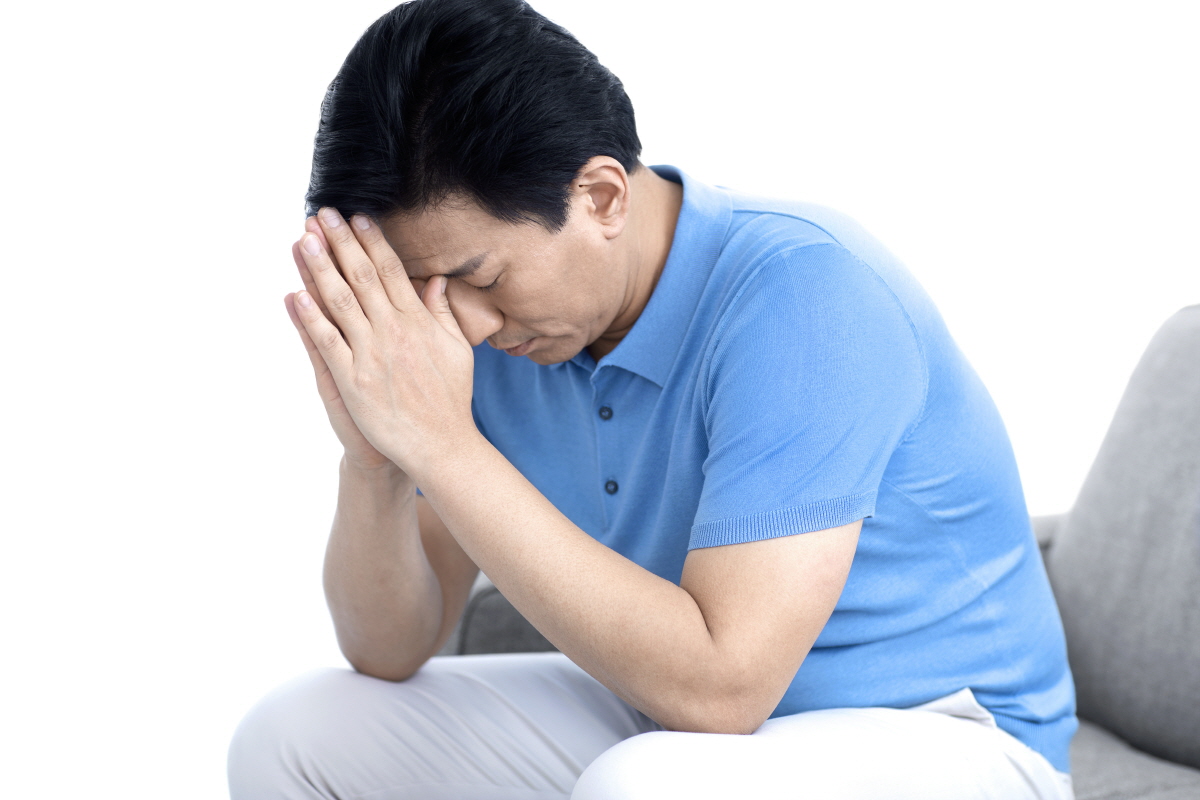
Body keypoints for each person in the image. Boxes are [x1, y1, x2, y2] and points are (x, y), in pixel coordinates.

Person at [228, 0, 1077, 797]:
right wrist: (377, 456)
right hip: (672, 710)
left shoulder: (808, 292)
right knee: (293, 733)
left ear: (601, 197)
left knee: (644, 785)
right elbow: (389, 648)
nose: (468, 324)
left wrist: (446, 447)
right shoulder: (498, 333)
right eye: (426, 288)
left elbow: (724, 688)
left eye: (480, 277)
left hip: (944, 732)